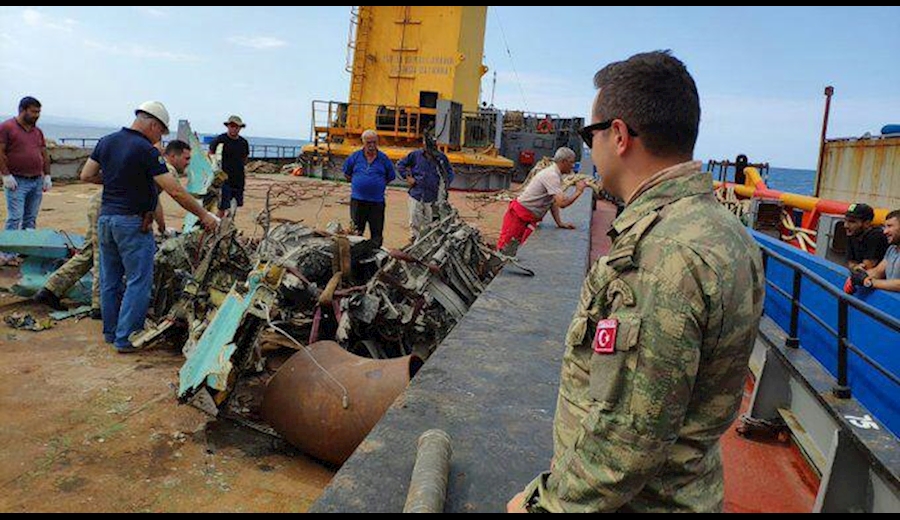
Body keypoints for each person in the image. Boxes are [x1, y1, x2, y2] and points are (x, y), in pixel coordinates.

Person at [508, 51, 764, 513]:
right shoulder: (725, 232)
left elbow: (629, 438)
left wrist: (542, 505)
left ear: (619, 135)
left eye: (592, 134)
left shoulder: (660, 256)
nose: (591, 148)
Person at [80, 102, 218, 353]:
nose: (160, 140)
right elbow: (174, 190)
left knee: (110, 279)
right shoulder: (146, 150)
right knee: (138, 281)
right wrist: (204, 215)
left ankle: (111, 333)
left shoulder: (106, 141)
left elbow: (86, 175)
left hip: (106, 220)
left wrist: (116, 178)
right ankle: (127, 337)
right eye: (160, 133)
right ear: (153, 124)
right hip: (132, 223)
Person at [33, 140, 195, 316]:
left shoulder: (153, 163)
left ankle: (50, 290)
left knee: (89, 253)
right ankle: (99, 307)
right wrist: (164, 227)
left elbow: (153, 198)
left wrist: (161, 226)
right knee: (103, 255)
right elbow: (161, 198)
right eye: (186, 158)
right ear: (173, 156)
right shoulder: (166, 170)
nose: (188, 162)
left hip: (103, 204)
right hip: (110, 207)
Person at [496, 147, 586, 253]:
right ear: (564, 161)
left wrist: (559, 223)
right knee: (504, 249)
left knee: (516, 248)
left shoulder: (556, 175)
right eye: (571, 162)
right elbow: (561, 203)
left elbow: (552, 202)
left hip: (526, 217)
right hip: (518, 216)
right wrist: (578, 192)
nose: (573, 165)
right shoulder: (552, 176)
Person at [0, 96, 52, 266]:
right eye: (34, 111)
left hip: (36, 180)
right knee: (15, 217)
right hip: (17, 181)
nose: (37, 115)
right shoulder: (7, 127)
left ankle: (26, 251)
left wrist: (47, 175)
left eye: (39, 112)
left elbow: (43, 153)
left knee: (30, 218)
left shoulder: (37, 131)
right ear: (23, 110)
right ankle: (7, 254)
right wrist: (6, 175)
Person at [343, 129, 396, 247]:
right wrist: (360, 184)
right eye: (368, 143)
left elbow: (390, 176)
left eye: (374, 142)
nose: (371, 146)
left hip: (376, 203)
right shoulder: (355, 157)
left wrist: (377, 185)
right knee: (356, 232)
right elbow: (347, 174)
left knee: (376, 233)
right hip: (358, 201)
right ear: (363, 142)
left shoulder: (384, 159)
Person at [397, 135, 454, 241]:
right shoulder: (415, 155)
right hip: (417, 193)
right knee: (415, 219)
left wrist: (445, 185)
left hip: (433, 196)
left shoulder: (441, 158)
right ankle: (414, 240)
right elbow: (400, 165)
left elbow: (449, 172)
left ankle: (428, 241)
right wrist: (407, 177)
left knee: (430, 222)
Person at [850, 210, 900, 293]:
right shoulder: (892, 250)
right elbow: (877, 272)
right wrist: (860, 273)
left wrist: (870, 282)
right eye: (885, 227)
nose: (885, 231)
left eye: (890, 226)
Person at [209, 115, 250, 218]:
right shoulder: (220, 140)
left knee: (234, 206)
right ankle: (216, 228)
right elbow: (210, 155)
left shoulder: (243, 143)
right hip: (224, 180)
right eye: (232, 126)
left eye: (237, 126)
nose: (234, 128)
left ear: (240, 128)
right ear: (228, 126)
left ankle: (228, 227)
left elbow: (245, 159)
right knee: (222, 207)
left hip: (238, 179)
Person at [845, 203, 888, 271]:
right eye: (845, 220)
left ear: (867, 223)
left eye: (852, 222)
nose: (846, 225)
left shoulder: (876, 236)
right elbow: (851, 263)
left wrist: (855, 267)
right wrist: (855, 267)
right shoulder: (852, 233)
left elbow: (867, 267)